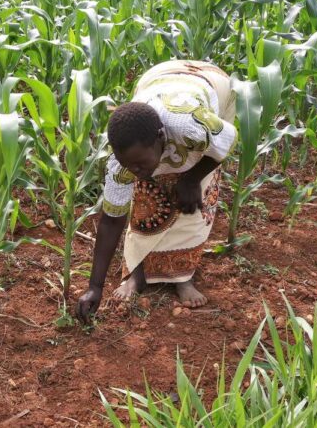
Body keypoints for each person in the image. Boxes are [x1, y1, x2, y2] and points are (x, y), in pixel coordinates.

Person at [76, 60, 237, 324]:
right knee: (145, 195)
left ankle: (183, 277)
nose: (133, 170)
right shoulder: (122, 162)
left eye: (139, 162)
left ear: (161, 137)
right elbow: (111, 220)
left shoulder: (191, 126)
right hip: (156, 80)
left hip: (209, 83)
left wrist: (193, 177)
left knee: (194, 194)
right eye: (128, 164)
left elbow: (227, 141)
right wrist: (95, 286)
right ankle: (136, 273)